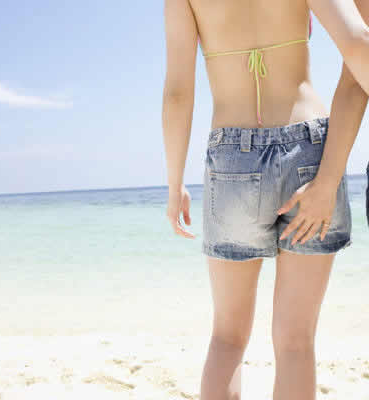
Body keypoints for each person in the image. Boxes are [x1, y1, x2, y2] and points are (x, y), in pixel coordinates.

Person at [162, 1, 369, 399]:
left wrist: (175, 185)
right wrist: (328, 179)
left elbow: (177, 92)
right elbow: (359, 41)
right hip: (311, 154)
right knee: (296, 342)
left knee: (227, 338)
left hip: (232, 158)